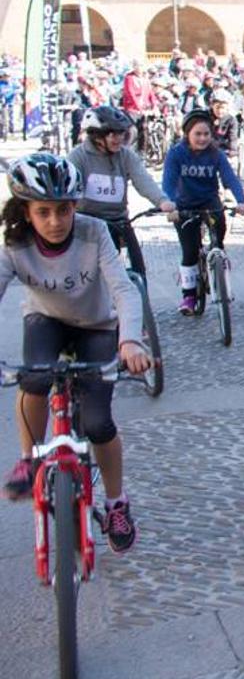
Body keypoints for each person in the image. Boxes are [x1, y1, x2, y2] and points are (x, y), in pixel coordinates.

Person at [1, 154, 153, 553]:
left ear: (75, 206)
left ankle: (117, 503)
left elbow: (122, 288)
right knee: (33, 377)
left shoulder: (94, 232)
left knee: (99, 422)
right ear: (26, 211)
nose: (55, 221)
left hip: (96, 326)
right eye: (43, 211)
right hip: (46, 321)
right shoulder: (15, 244)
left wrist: (131, 340)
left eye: (64, 209)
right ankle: (29, 457)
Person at [66, 106, 177, 277]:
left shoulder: (125, 156)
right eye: (112, 134)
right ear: (96, 135)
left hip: (119, 220)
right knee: (89, 272)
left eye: (121, 133)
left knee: (138, 268)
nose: (118, 138)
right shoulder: (78, 157)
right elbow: (68, 188)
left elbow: (143, 180)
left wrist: (162, 201)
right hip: (88, 221)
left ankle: (142, 301)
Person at [162, 109, 244, 315]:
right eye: (197, 134)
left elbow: (230, 178)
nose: (202, 138)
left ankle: (219, 273)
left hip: (210, 202)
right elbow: (169, 181)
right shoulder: (176, 153)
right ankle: (189, 296)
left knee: (218, 240)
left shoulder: (216, 154)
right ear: (187, 134)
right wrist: (169, 204)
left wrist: (241, 201)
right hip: (184, 206)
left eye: (206, 134)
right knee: (190, 251)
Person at [208, 88, 239, 159]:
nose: (220, 111)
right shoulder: (205, 117)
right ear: (212, 106)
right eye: (217, 107)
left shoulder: (231, 120)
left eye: (222, 108)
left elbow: (233, 137)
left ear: (227, 107)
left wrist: (233, 150)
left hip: (223, 149)